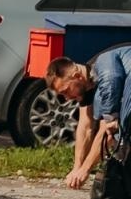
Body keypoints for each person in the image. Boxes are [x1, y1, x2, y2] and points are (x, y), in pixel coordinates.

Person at [47, 51, 130, 188]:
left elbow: (108, 132)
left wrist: (85, 170)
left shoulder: (104, 73)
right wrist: (77, 168)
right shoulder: (86, 79)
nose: (67, 98)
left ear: (77, 76)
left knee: (120, 135)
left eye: (66, 91)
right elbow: (85, 127)